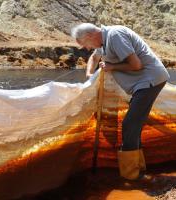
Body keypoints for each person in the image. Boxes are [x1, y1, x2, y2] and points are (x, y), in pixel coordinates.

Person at [71, 23, 170, 180]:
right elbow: (94, 57)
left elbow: (136, 65)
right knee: (134, 125)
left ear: (90, 36)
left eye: (85, 45)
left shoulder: (115, 35)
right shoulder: (103, 41)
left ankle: (130, 176)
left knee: (129, 125)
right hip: (143, 84)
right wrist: (90, 75)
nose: (88, 48)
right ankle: (139, 171)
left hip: (150, 80)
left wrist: (112, 66)